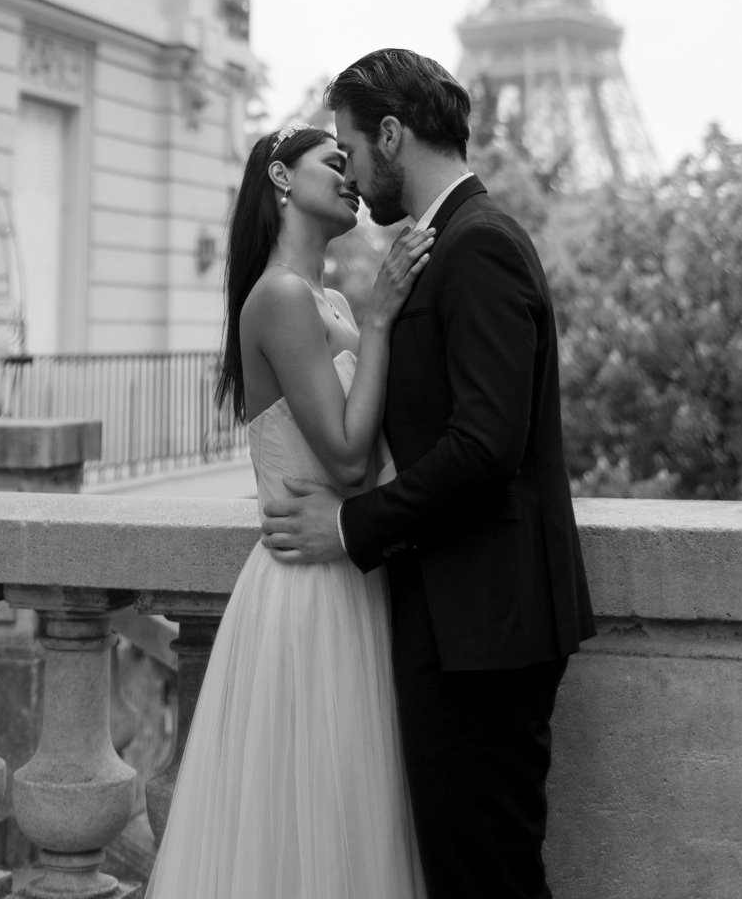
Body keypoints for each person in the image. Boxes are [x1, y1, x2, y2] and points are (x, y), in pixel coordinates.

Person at [260, 48, 596, 899]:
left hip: (485, 628)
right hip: (464, 620)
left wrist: (346, 526)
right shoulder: (441, 245)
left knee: (483, 877)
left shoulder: (475, 247)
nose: (347, 164)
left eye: (349, 143)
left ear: (392, 133)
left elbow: (485, 447)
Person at [145, 123, 434, 899]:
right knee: (307, 825)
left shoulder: (330, 298)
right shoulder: (278, 297)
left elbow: (371, 458)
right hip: (308, 593)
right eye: (330, 162)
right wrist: (380, 321)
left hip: (352, 574)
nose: (350, 176)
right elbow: (345, 457)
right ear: (279, 177)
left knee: (350, 814)